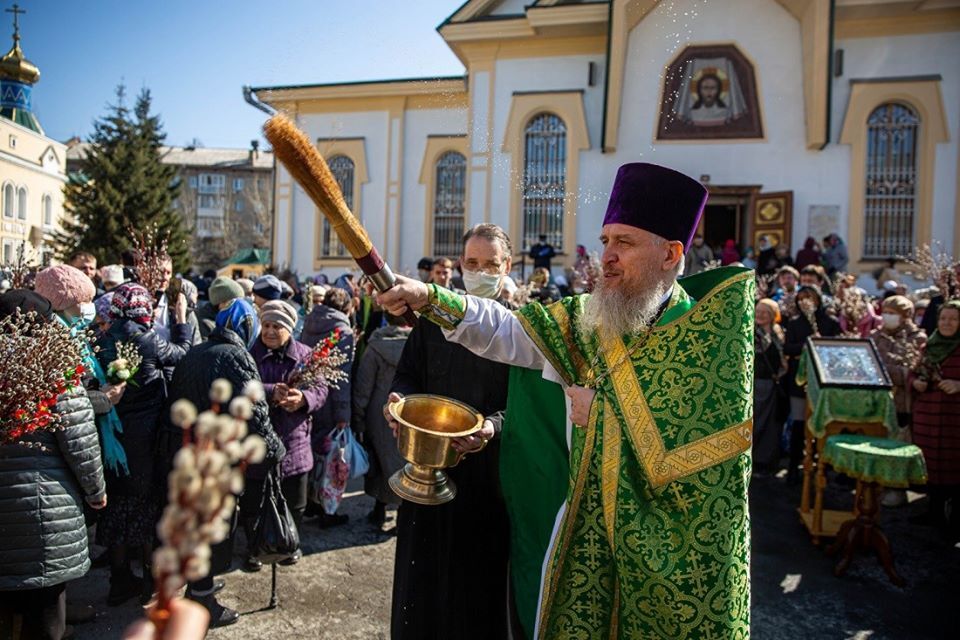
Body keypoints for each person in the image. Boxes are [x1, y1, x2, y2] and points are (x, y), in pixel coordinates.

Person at [378, 163, 754, 638]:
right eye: (605, 242)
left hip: (668, 559)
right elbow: (510, 332)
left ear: (671, 253)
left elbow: (709, 459)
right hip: (592, 539)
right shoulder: (595, 316)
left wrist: (599, 414)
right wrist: (428, 296)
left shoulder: (707, 337)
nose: (608, 257)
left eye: (625, 243)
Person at [385, 222, 513, 639]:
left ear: (507, 266)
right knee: (420, 583)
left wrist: (492, 428)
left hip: (486, 480)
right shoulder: (432, 322)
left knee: (476, 590)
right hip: (426, 471)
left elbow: (525, 406)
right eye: (472, 262)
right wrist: (397, 402)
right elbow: (407, 375)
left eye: (490, 264)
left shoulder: (520, 329)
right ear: (460, 264)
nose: (480, 271)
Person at [159, 297, 284, 627]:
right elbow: (254, 410)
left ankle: (199, 587)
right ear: (247, 327)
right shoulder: (236, 355)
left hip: (185, 451)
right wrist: (274, 449)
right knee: (214, 530)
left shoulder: (197, 351)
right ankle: (202, 602)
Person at [0, 290, 107, 640]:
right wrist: (96, 492)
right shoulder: (54, 372)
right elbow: (81, 444)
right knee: (45, 616)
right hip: (43, 509)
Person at [95, 282, 193, 606]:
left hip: (114, 436)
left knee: (119, 506)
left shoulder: (104, 338)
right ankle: (151, 584)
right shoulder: (145, 338)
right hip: (147, 437)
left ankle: (118, 581)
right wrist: (181, 322)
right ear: (143, 310)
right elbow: (180, 354)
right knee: (149, 508)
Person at [243, 300, 328, 569]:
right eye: (266, 325)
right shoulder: (248, 355)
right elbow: (240, 387)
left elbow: (322, 389)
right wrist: (269, 392)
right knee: (253, 501)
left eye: (276, 326)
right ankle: (255, 547)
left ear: (289, 328)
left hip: (294, 441)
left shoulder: (306, 355)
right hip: (257, 441)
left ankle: (289, 543)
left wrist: (303, 398)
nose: (269, 331)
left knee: (295, 501)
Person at [351, 313, 412, 528]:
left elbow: (364, 385)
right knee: (407, 460)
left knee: (380, 459)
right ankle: (405, 513)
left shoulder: (376, 345)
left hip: (380, 412)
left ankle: (379, 509)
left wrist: (358, 418)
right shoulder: (418, 344)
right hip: (409, 410)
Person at [911, 300, 960, 535]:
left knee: (954, 466)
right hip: (928, 417)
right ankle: (934, 512)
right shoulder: (930, 346)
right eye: (943, 319)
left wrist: (959, 385)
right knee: (930, 464)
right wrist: (916, 382)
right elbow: (914, 372)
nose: (947, 323)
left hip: (954, 420)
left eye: (953, 319)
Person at [783, 285, 841, 483]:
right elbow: (788, 348)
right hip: (799, 382)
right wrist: (808, 344)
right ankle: (794, 466)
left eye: (809, 297)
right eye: (801, 298)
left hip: (824, 382)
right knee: (799, 424)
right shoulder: (794, 323)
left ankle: (822, 466)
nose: (805, 301)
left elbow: (836, 351)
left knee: (823, 425)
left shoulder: (830, 323)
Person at [754, 298, 787, 476]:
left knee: (771, 426)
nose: (760, 315)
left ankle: (765, 461)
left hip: (772, 384)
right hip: (756, 383)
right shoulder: (752, 332)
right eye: (758, 311)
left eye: (765, 312)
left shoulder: (779, 333)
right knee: (756, 423)